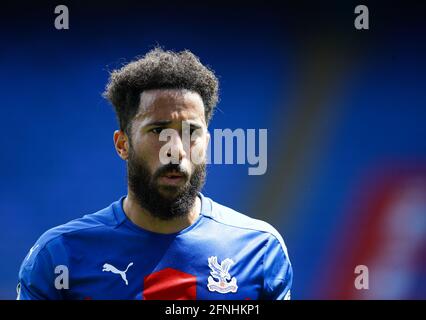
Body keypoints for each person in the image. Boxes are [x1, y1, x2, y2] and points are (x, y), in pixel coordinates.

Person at [17, 48, 293, 300]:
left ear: (207, 143)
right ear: (122, 144)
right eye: (159, 131)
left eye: (190, 132)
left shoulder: (259, 251)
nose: (175, 150)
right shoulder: (59, 256)